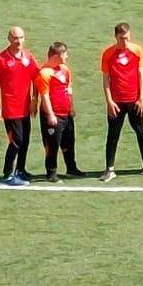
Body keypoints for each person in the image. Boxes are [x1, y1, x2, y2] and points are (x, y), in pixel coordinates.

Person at [99, 23, 143, 181]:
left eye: (127, 38)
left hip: (134, 100)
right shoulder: (108, 54)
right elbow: (106, 79)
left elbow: (141, 74)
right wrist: (109, 101)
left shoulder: (137, 50)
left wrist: (142, 97)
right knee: (113, 135)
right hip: (116, 102)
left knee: (141, 133)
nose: (125, 41)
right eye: (122, 38)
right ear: (115, 37)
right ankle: (109, 169)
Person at [0, 27, 39, 186]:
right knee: (16, 140)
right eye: (15, 38)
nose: (18, 41)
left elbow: (36, 78)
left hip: (25, 107)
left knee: (25, 140)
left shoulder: (28, 58)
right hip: (11, 109)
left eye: (21, 37)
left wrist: (34, 99)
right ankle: (7, 173)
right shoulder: (1, 59)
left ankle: (21, 170)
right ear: (9, 39)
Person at [37, 42, 83, 182]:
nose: (67, 57)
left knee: (69, 142)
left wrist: (71, 108)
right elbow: (44, 96)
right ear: (57, 56)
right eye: (65, 54)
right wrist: (50, 115)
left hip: (66, 113)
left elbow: (68, 89)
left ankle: (71, 168)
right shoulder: (44, 73)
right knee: (52, 145)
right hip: (53, 115)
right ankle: (51, 172)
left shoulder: (65, 69)